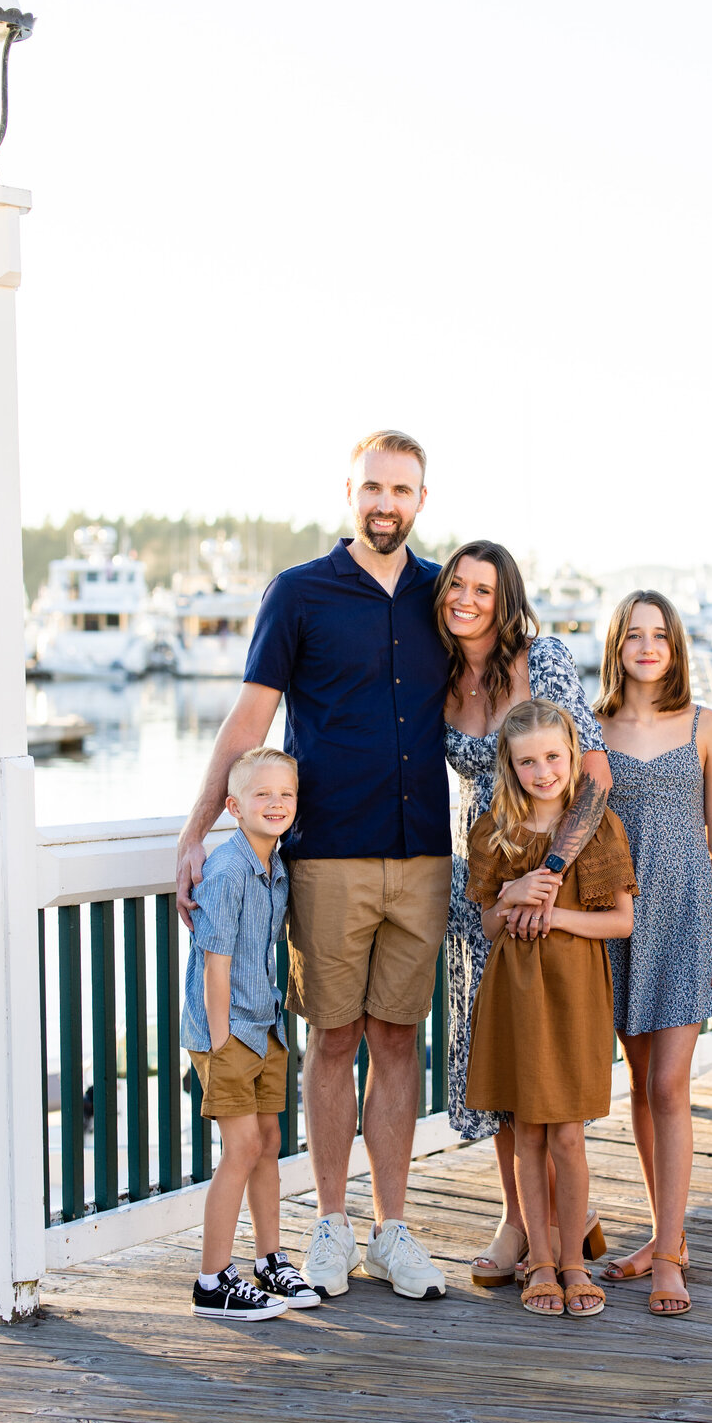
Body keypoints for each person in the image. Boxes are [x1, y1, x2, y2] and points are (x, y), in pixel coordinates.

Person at [176, 431, 452, 1302]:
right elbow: (249, 718)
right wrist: (197, 831)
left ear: (420, 500)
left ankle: (393, 1231)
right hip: (327, 856)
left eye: (402, 490)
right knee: (333, 1039)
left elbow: (500, 700)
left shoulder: (444, 596)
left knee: (399, 1040)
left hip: (424, 857)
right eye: (373, 487)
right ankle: (330, 1226)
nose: (386, 503)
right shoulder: (298, 594)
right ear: (350, 491)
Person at [439, 542, 612, 1288]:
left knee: (552, 1069)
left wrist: (547, 877)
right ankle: (525, 1222)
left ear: (505, 596)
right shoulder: (439, 675)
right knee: (505, 1060)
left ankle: (552, 1237)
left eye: (484, 587)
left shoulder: (540, 660)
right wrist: (502, 891)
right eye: (456, 585)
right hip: (485, 873)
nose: (468, 598)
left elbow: (594, 776)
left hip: (551, 870)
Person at [465, 701, 637, 1317]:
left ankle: (573, 1261)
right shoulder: (496, 830)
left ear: (572, 755)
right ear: (510, 767)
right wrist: (513, 894)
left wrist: (553, 912)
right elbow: (487, 923)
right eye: (528, 761)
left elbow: (621, 921)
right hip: (515, 991)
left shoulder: (599, 826)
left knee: (568, 1132)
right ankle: (538, 1258)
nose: (543, 771)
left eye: (554, 758)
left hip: (574, 991)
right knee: (528, 1132)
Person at [595, 591, 712, 1317]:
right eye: (634, 636)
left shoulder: (708, 725)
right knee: (642, 1085)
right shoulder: (590, 727)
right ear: (617, 645)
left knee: (671, 1086)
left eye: (660, 635)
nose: (648, 647)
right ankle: (659, 1234)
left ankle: (672, 1256)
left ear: (676, 645)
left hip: (685, 917)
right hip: (619, 920)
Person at [182, 747, 321, 1319]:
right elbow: (214, 962)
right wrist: (221, 1043)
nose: (276, 803)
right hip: (227, 1031)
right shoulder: (228, 868)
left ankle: (269, 1260)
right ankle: (213, 1280)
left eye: (285, 794)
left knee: (267, 1145)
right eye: (262, 794)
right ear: (234, 806)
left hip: (263, 1026)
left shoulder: (277, 866)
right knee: (240, 1149)